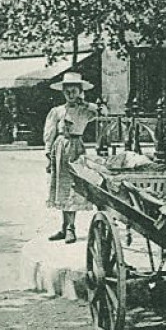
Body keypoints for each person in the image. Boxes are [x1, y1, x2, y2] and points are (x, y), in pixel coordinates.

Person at [44, 71, 98, 243]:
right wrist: (48, 154)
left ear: (80, 91)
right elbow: (50, 133)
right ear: (63, 92)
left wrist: (87, 103)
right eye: (67, 91)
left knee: (74, 186)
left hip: (77, 148)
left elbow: (103, 111)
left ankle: (70, 228)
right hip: (60, 148)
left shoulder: (85, 110)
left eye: (74, 90)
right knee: (62, 185)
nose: (70, 94)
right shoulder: (57, 111)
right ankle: (64, 227)